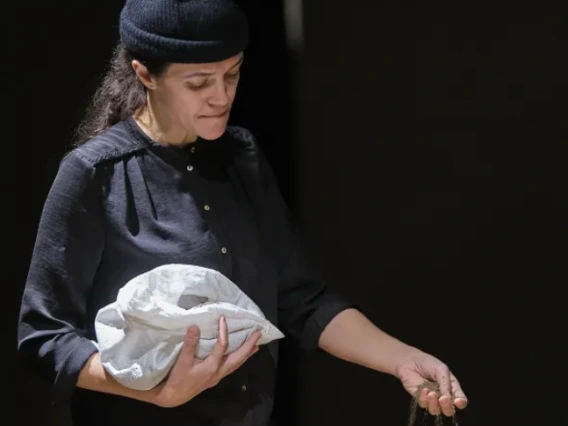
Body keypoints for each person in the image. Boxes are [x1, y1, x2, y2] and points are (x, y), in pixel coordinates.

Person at [16, 0, 468, 425]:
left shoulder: (242, 156)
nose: (221, 97)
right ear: (145, 74)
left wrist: (401, 358)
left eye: (232, 75)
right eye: (198, 83)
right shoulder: (95, 174)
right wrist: (157, 392)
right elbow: (44, 337)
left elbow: (303, 299)